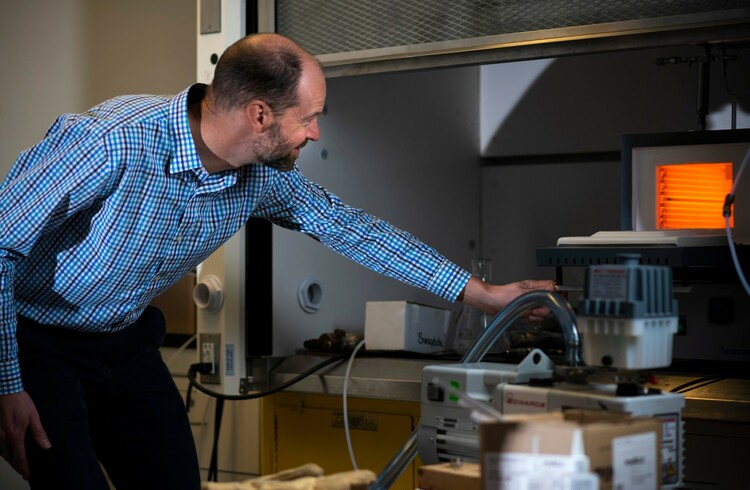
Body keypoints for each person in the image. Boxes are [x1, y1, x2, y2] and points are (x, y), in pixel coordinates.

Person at [0, 33, 554, 488]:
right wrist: (5, 384)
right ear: (260, 114)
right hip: (37, 343)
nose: (315, 132)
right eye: (309, 117)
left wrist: (484, 295)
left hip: (123, 344)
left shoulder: (258, 176)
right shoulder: (109, 140)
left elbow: (352, 229)